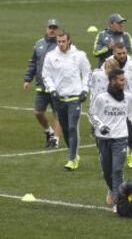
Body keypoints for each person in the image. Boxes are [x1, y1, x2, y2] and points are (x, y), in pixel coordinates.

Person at [89, 68, 132, 212]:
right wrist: (101, 126)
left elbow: (131, 114)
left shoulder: (128, 97)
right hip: (103, 138)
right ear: (112, 81)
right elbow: (92, 115)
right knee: (107, 172)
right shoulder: (101, 98)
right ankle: (115, 189)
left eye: (124, 79)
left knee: (117, 170)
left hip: (120, 137)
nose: (123, 81)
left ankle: (117, 202)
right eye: (121, 80)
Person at [42, 30, 91, 171]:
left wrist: (85, 90)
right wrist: (52, 89)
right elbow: (46, 75)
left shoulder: (79, 55)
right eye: (59, 41)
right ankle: (74, 153)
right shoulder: (51, 56)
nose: (61, 44)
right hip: (58, 97)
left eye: (64, 41)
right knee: (64, 128)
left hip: (75, 97)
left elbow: (87, 72)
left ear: (69, 40)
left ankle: (72, 159)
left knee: (72, 127)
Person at [104, 42, 132, 168]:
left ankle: (130, 151)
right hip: (112, 104)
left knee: (130, 133)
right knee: (112, 133)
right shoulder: (108, 63)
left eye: (124, 53)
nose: (122, 55)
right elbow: (102, 83)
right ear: (114, 52)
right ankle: (112, 157)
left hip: (131, 104)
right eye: (119, 53)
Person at [23, 18, 62, 148]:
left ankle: (55, 140)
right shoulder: (39, 44)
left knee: (58, 114)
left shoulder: (61, 45)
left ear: (58, 30)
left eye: (54, 28)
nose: (52, 30)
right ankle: (49, 132)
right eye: (50, 27)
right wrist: (28, 79)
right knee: (38, 112)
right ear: (46, 29)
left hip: (58, 86)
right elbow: (33, 62)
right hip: (41, 85)